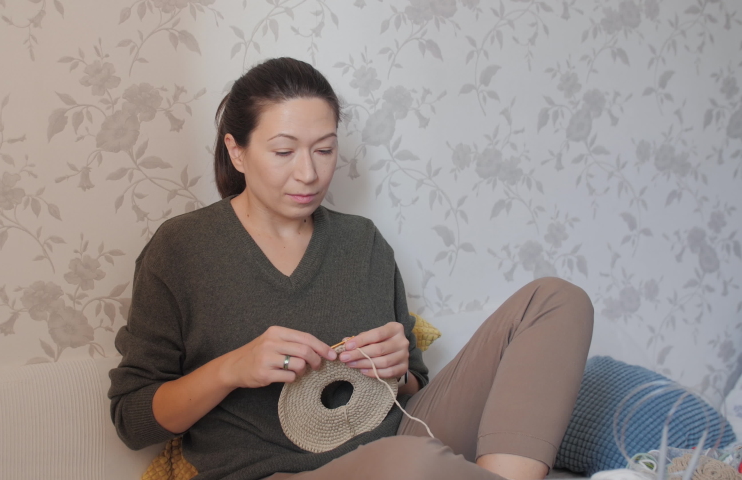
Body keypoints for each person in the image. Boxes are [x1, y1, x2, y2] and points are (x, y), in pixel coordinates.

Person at [108, 57, 594, 480]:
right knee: (411, 463)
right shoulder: (181, 249)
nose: (309, 173)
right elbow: (133, 420)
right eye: (283, 152)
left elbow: (413, 386)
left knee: (557, 300)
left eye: (324, 149)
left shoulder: (362, 242)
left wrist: (398, 368)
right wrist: (232, 368)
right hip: (279, 472)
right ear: (237, 151)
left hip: (398, 439)